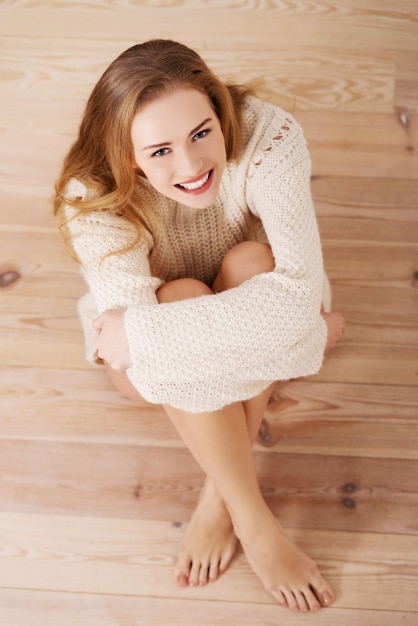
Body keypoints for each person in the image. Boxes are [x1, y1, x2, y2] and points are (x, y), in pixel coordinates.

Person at [53, 39, 345, 613]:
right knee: (180, 300)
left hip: (244, 285)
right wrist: (301, 332)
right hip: (162, 347)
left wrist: (145, 334)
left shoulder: (269, 135)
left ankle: (226, 498)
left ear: (218, 110)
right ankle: (249, 513)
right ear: (126, 154)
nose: (190, 168)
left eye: (201, 133)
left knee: (251, 265)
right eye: (158, 151)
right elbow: (142, 364)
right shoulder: (90, 194)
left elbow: (294, 292)